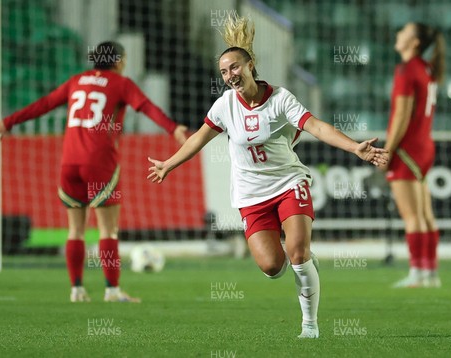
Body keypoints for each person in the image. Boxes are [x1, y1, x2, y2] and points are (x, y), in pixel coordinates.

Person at [147, 16, 388, 338]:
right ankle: (299, 266)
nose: (230, 75)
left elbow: (315, 126)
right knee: (272, 267)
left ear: (250, 65)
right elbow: (198, 138)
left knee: (298, 252)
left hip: (289, 182)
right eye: (223, 71)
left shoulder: (280, 99)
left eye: (234, 67)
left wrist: (354, 148)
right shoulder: (224, 106)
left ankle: (310, 324)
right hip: (251, 193)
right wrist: (169, 164)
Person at [0, 41, 187, 302]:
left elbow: (45, 104)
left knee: (75, 230)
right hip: (99, 163)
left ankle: (77, 290)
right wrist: (173, 128)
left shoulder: (77, 81)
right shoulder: (121, 84)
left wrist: (9, 122)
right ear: (118, 61)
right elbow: (147, 107)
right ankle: (112, 291)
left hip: (69, 164)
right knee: (108, 230)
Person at [383, 23, 445, 288]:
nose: (398, 34)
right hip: (424, 147)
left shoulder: (407, 70)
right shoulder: (427, 69)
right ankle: (430, 272)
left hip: (407, 149)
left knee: (412, 216)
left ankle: (417, 272)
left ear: (415, 41)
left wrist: (387, 150)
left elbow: (401, 116)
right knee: (425, 214)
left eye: (404, 31)